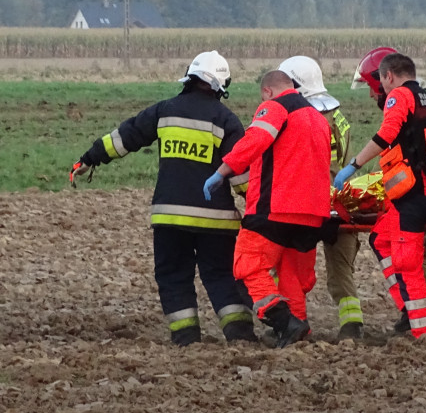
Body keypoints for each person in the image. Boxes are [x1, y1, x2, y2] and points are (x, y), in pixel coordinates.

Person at [70, 50, 256, 347]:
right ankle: (240, 336)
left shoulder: (164, 110)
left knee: (173, 276)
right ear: (222, 85)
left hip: (169, 217)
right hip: (215, 221)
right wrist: (259, 210)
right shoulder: (226, 120)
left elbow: (125, 137)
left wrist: (88, 159)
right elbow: (241, 173)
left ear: (189, 77)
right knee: (222, 275)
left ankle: (186, 338)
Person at [335, 52, 426, 341]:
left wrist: (353, 166)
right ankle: (409, 308)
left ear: (388, 76)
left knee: (408, 264)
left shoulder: (399, 97)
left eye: (379, 81)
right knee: (380, 238)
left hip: (415, 195)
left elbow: (386, 135)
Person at [203, 70, 332, 349]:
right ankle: (297, 334)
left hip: (276, 208)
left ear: (268, 92)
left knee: (248, 266)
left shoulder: (275, 107)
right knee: (291, 277)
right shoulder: (317, 117)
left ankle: (285, 323)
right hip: (313, 213)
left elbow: (254, 141)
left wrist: (222, 171)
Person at [276, 55, 364, 341]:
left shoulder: (295, 116)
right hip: (340, 202)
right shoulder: (337, 114)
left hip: (304, 204)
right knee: (341, 270)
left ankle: (293, 324)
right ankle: (352, 325)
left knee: (290, 268)